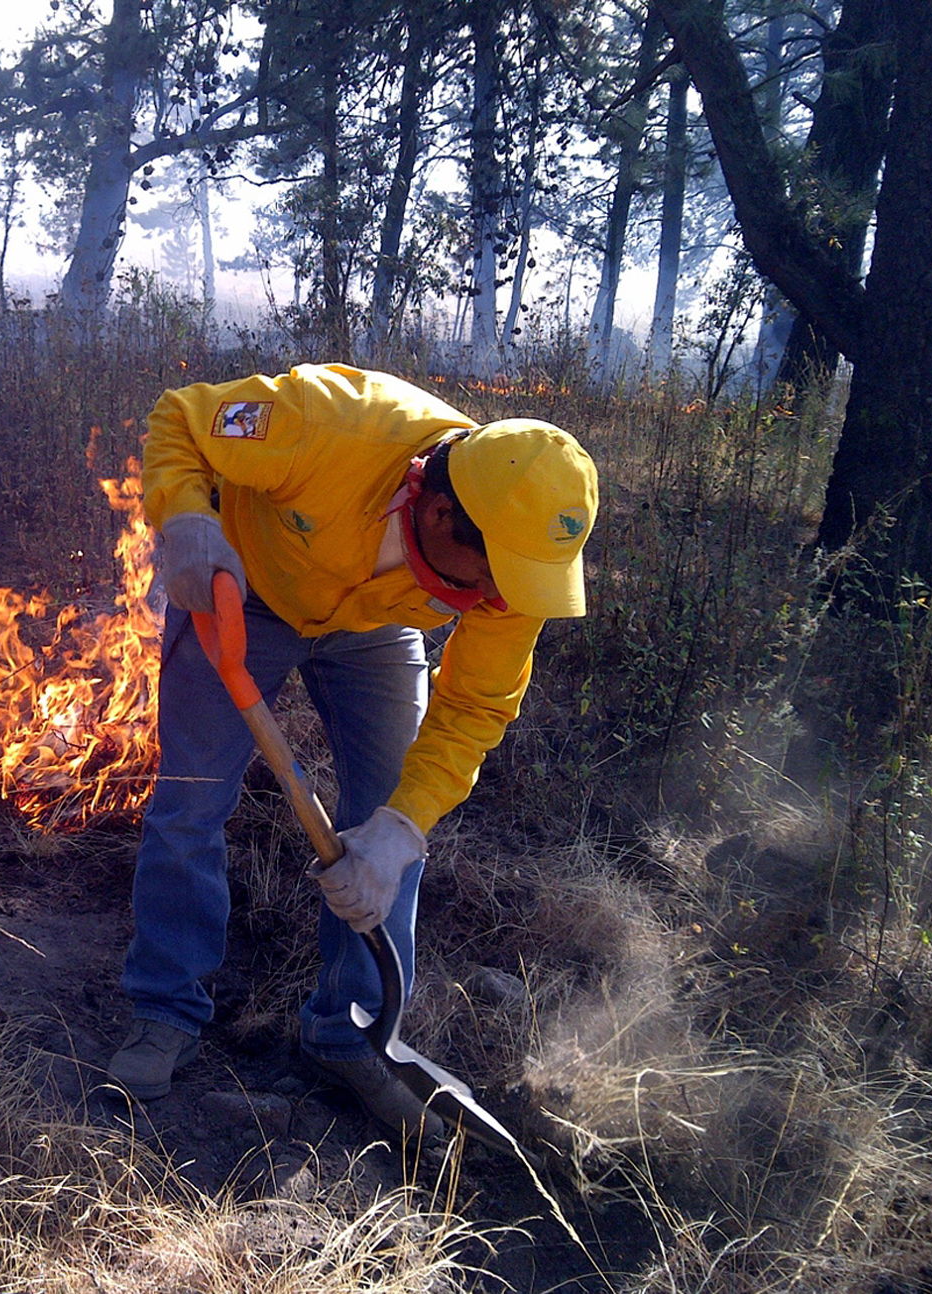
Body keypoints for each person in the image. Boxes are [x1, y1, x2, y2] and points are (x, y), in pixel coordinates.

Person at [106, 363, 598, 1138]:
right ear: (437, 514)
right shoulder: (324, 423)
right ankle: (164, 1007)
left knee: (388, 820)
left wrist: (400, 831)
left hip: (372, 628)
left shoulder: (515, 567)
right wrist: (187, 519)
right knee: (190, 803)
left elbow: (473, 707)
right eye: (492, 580)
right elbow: (182, 417)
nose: (502, 600)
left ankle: (348, 1030)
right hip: (243, 594)